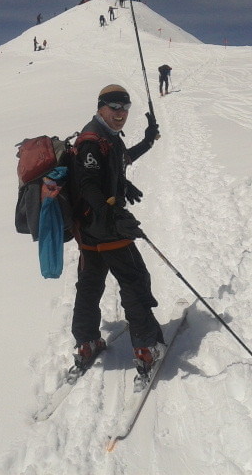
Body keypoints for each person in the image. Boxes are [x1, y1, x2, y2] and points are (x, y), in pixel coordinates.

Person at [69, 84, 164, 377]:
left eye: (125, 107)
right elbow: (88, 184)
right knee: (135, 281)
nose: (121, 113)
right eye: (114, 107)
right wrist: (114, 216)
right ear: (101, 107)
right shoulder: (92, 140)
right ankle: (146, 347)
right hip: (106, 227)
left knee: (89, 285)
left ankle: (86, 343)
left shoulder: (107, 136)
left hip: (89, 230)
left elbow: (121, 160)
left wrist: (147, 141)